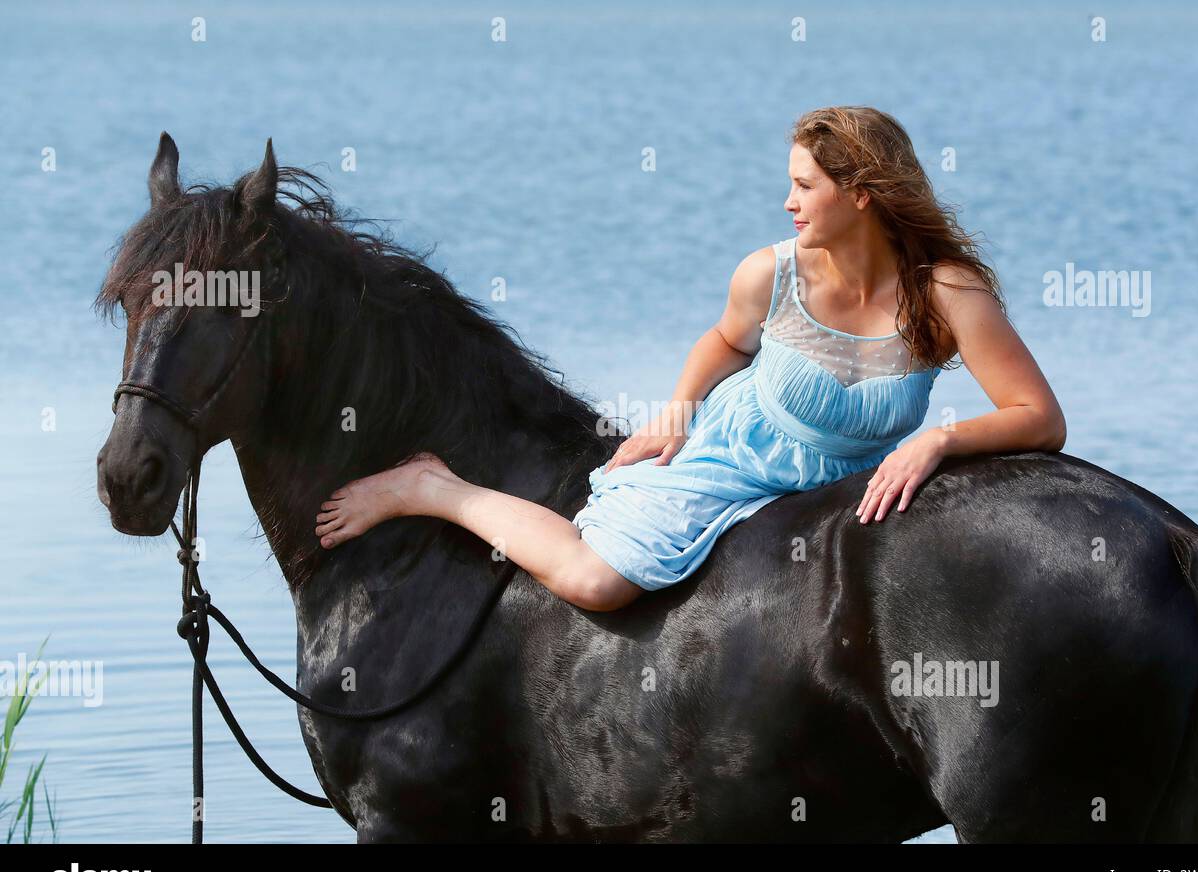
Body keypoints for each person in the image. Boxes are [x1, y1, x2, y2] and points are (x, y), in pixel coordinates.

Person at [312, 106, 1066, 612]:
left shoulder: (945, 291)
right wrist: (678, 410)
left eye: (805, 185)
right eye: (791, 183)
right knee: (595, 579)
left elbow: (1040, 418)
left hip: (844, 483)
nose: (788, 202)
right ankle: (432, 486)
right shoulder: (771, 275)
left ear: (863, 194)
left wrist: (939, 437)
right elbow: (725, 342)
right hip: (736, 457)